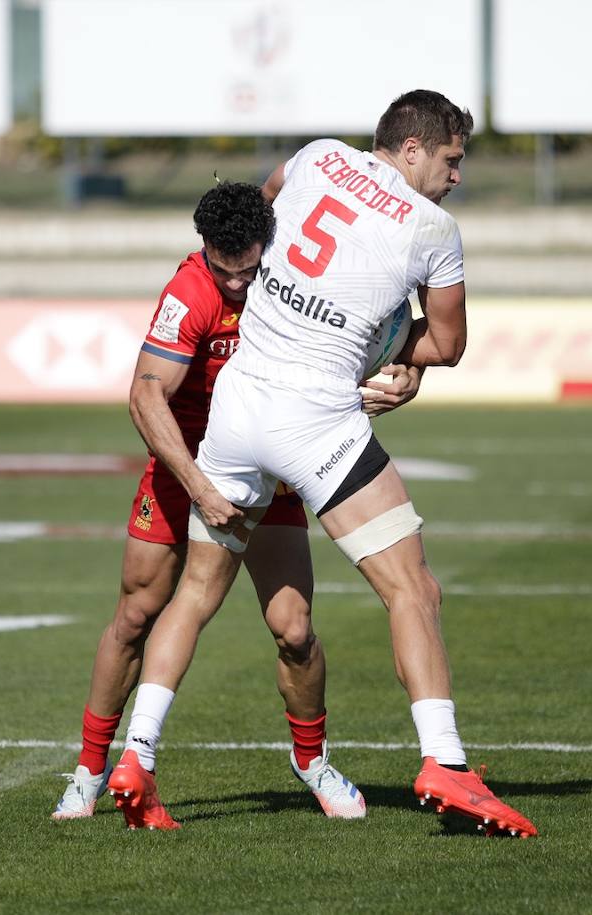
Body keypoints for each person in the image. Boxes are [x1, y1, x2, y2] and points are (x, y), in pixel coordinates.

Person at [105, 90, 536, 837]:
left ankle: (136, 754)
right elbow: (448, 343)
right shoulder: (435, 228)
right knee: (412, 586)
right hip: (317, 416)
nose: (456, 176)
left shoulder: (316, 155)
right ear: (412, 149)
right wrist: (398, 355)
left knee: (196, 593)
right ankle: (445, 761)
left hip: (239, 403)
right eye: (452, 159)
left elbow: (266, 211)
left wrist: (299, 303)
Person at [51, 181, 422, 823]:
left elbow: (390, 316)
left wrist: (409, 367)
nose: (238, 286)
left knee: (295, 631)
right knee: (137, 614)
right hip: (186, 468)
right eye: (225, 272)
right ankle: (90, 769)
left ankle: (312, 761)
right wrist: (198, 484)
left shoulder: (293, 267)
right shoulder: (191, 291)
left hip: (269, 465)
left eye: (248, 270)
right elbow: (145, 397)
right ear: (204, 251)